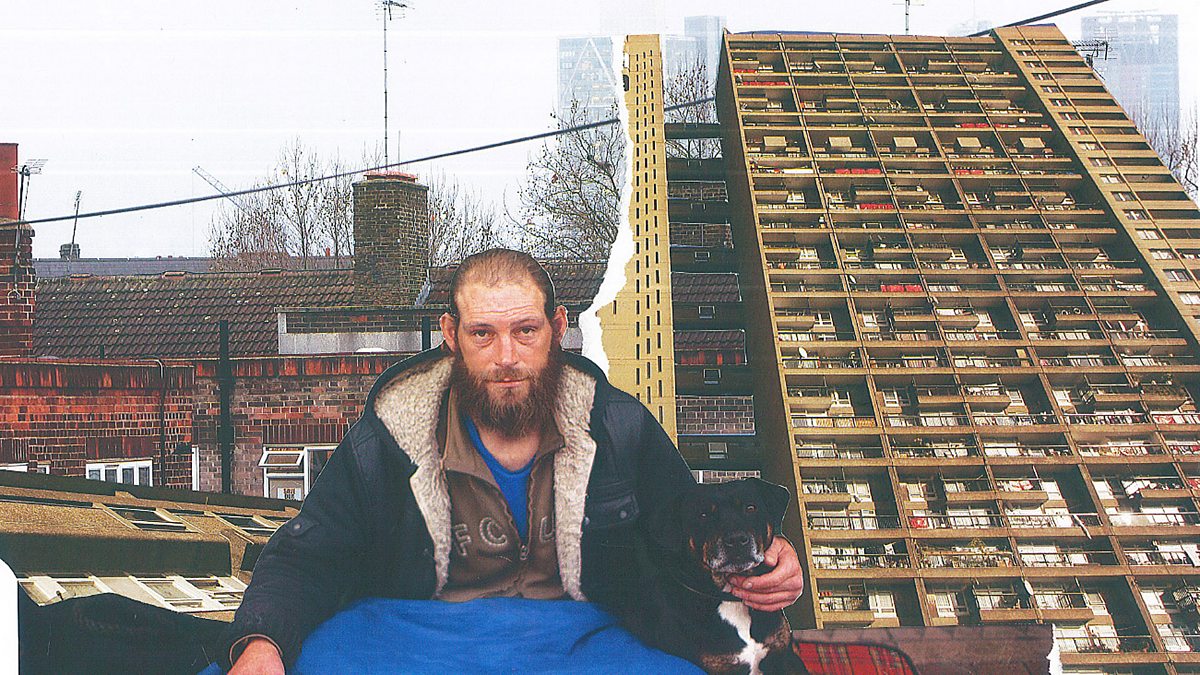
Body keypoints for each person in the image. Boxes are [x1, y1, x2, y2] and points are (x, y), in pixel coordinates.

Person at [225, 248, 804, 673]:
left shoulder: (617, 424)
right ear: (450, 335)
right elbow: (308, 554)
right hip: (417, 640)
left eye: (525, 330)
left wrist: (776, 562)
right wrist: (262, 645)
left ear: (557, 328)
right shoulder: (390, 438)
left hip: (590, 641)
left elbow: (690, 526)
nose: (506, 356)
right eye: (483, 334)